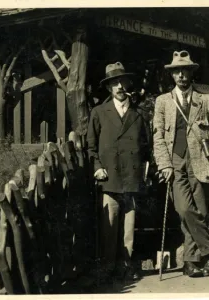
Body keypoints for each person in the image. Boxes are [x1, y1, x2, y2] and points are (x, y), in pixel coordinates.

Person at [87, 62, 150, 281]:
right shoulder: (99, 113)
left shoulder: (139, 115)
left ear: (128, 84)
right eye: (115, 83)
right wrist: (97, 168)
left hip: (131, 178)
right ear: (109, 88)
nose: (120, 87)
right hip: (109, 177)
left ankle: (126, 265)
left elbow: (147, 147)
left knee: (129, 227)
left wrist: (145, 171)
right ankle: (108, 267)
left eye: (123, 82)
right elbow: (91, 146)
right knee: (109, 225)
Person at [153, 50, 209, 278]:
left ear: (191, 73)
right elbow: (158, 137)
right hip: (175, 162)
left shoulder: (204, 99)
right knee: (184, 209)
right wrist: (164, 165)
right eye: (177, 71)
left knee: (202, 212)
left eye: (185, 71)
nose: (182, 75)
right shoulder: (163, 101)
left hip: (200, 160)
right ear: (172, 75)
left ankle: (192, 262)